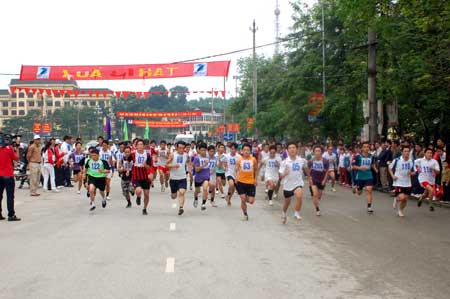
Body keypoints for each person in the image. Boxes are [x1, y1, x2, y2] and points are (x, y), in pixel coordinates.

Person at [278, 142, 308, 224]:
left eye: (294, 147)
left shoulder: (302, 160)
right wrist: (284, 173)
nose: (292, 149)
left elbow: (306, 168)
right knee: (287, 202)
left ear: (297, 149)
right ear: (287, 150)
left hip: (298, 183)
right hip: (287, 185)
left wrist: (309, 177)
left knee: (299, 195)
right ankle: (284, 213)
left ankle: (296, 212)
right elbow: (280, 176)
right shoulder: (284, 162)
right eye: (290, 148)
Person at [128, 139, 154, 215]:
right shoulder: (133, 154)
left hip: (145, 177)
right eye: (138, 144)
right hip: (136, 176)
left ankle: (145, 208)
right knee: (138, 191)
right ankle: (138, 197)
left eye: (141, 144)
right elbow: (128, 161)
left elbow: (149, 167)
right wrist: (127, 169)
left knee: (146, 194)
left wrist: (145, 165)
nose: (140, 146)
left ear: (144, 146)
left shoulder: (148, 155)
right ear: (136, 146)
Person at [389, 146, 416, 217]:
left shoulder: (411, 161)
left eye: (408, 151)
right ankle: (396, 198)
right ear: (402, 152)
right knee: (402, 197)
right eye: (405, 151)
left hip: (407, 183)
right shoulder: (397, 160)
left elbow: (414, 172)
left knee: (405, 199)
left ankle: (400, 210)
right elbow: (390, 168)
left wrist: (411, 173)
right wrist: (393, 176)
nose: (407, 153)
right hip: (398, 182)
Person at [352, 142, 378, 213]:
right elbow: (353, 166)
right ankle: (356, 188)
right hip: (360, 176)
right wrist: (360, 168)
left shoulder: (371, 156)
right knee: (359, 193)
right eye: (365, 147)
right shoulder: (357, 156)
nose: (366, 148)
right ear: (362, 148)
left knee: (369, 190)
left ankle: (369, 207)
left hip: (369, 175)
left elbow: (372, 164)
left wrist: (375, 169)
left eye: (367, 147)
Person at [0, 135, 21, 221]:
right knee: (10, 196)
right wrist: (17, 147)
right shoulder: (9, 149)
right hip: (8, 175)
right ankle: (11, 214)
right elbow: (16, 158)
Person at [235, 143, 258, 221]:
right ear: (242, 151)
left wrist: (256, 179)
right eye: (244, 150)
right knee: (243, 198)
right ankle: (245, 214)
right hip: (241, 182)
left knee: (251, 201)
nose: (246, 151)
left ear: (250, 151)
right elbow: (236, 169)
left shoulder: (253, 159)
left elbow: (256, 169)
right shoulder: (239, 160)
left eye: (248, 150)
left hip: (251, 182)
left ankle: (247, 197)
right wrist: (236, 177)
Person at [167, 141, 189, 215]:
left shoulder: (186, 155)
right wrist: (173, 166)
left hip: (182, 178)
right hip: (173, 178)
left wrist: (190, 170)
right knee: (174, 196)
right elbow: (166, 165)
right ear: (176, 147)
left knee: (182, 192)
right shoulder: (172, 155)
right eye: (179, 148)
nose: (181, 150)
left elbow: (189, 163)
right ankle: (173, 192)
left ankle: (181, 208)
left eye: (183, 148)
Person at [308, 146, 329, 216]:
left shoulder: (325, 161)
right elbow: (309, 171)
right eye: (316, 151)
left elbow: (326, 172)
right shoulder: (311, 161)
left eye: (319, 151)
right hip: (314, 179)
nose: (317, 153)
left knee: (319, 196)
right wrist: (310, 178)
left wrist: (324, 180)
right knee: (315, 194)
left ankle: (316, 200)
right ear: (314, 152)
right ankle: (317, 209)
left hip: (321, 180)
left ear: (321, 152)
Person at [193, 143, 210, 211]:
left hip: (206, 176)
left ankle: (203, 204)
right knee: (197, 191)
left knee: (205, 188)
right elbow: (197, 169)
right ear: (199, 151)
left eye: (204, 150)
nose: (203, 152)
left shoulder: (208, 157)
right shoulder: (197, 158)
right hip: (198, 177)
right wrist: (204, 165)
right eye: (201, 150)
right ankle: (196, 198)